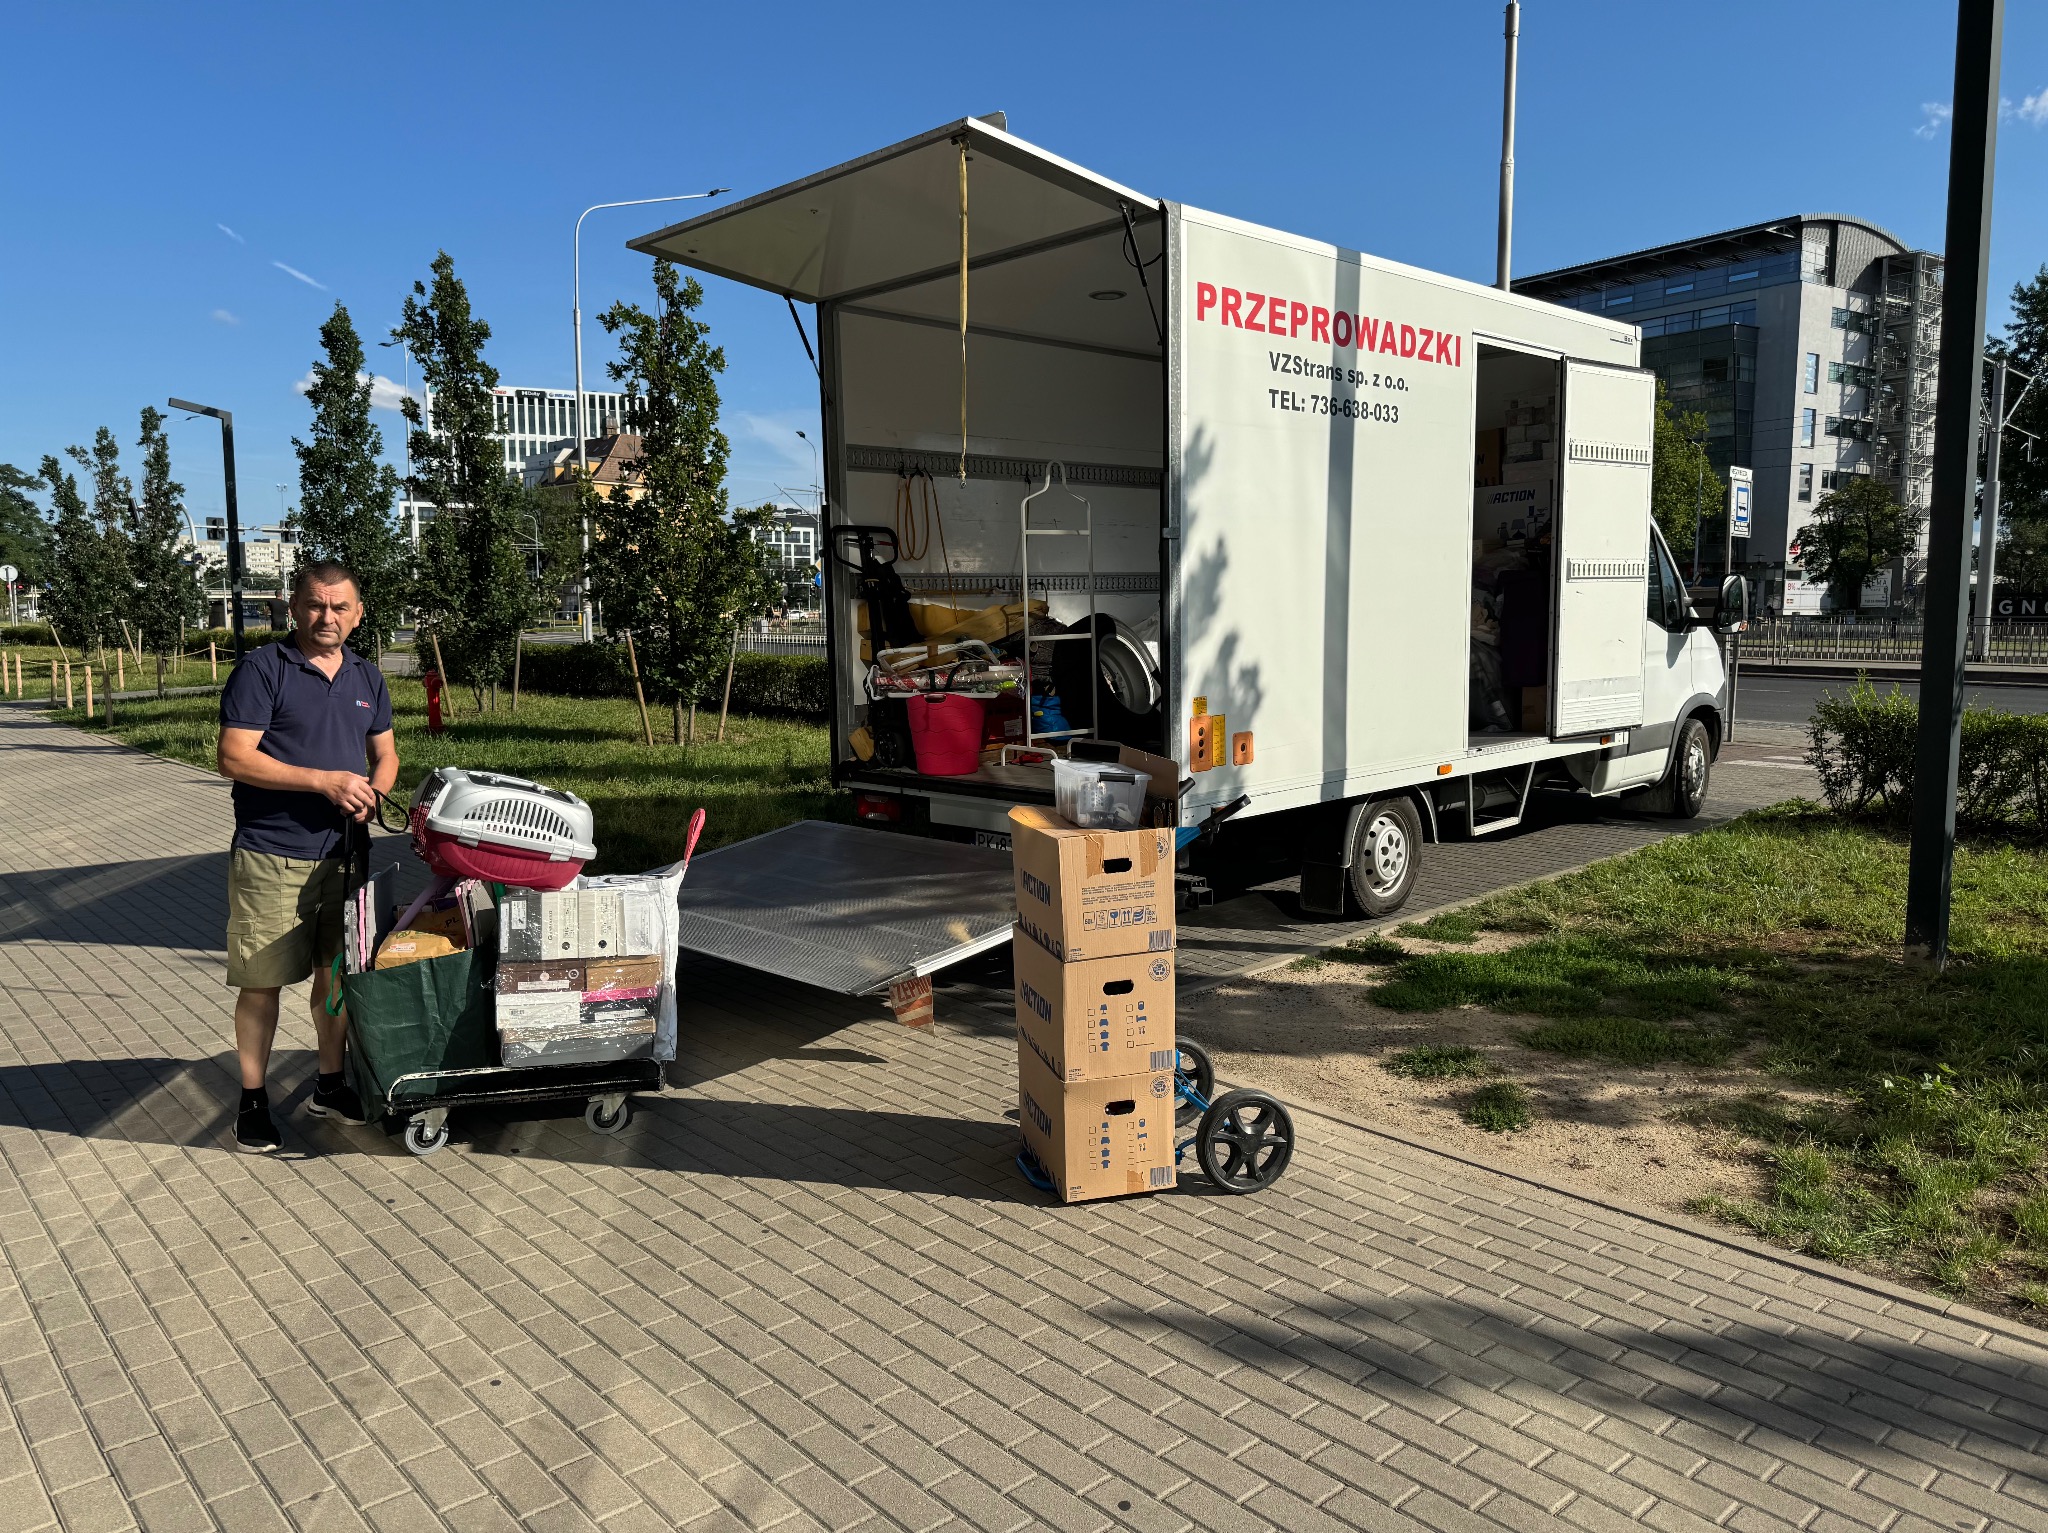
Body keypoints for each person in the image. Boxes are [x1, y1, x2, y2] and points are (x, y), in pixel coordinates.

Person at [216, 560, 398, 1151]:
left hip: (346, 858)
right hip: (273, 855)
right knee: (262, 983)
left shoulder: (368, 678)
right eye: (316, 605)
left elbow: (386, 755)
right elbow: (235, 758)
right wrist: (323, 782)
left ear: (358, 613)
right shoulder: (263, 669)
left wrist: (376, 794)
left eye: (340, 607)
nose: (328, 617)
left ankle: (328, 1083)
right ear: (292, 607)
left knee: (337, 978)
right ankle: (252, 1101)